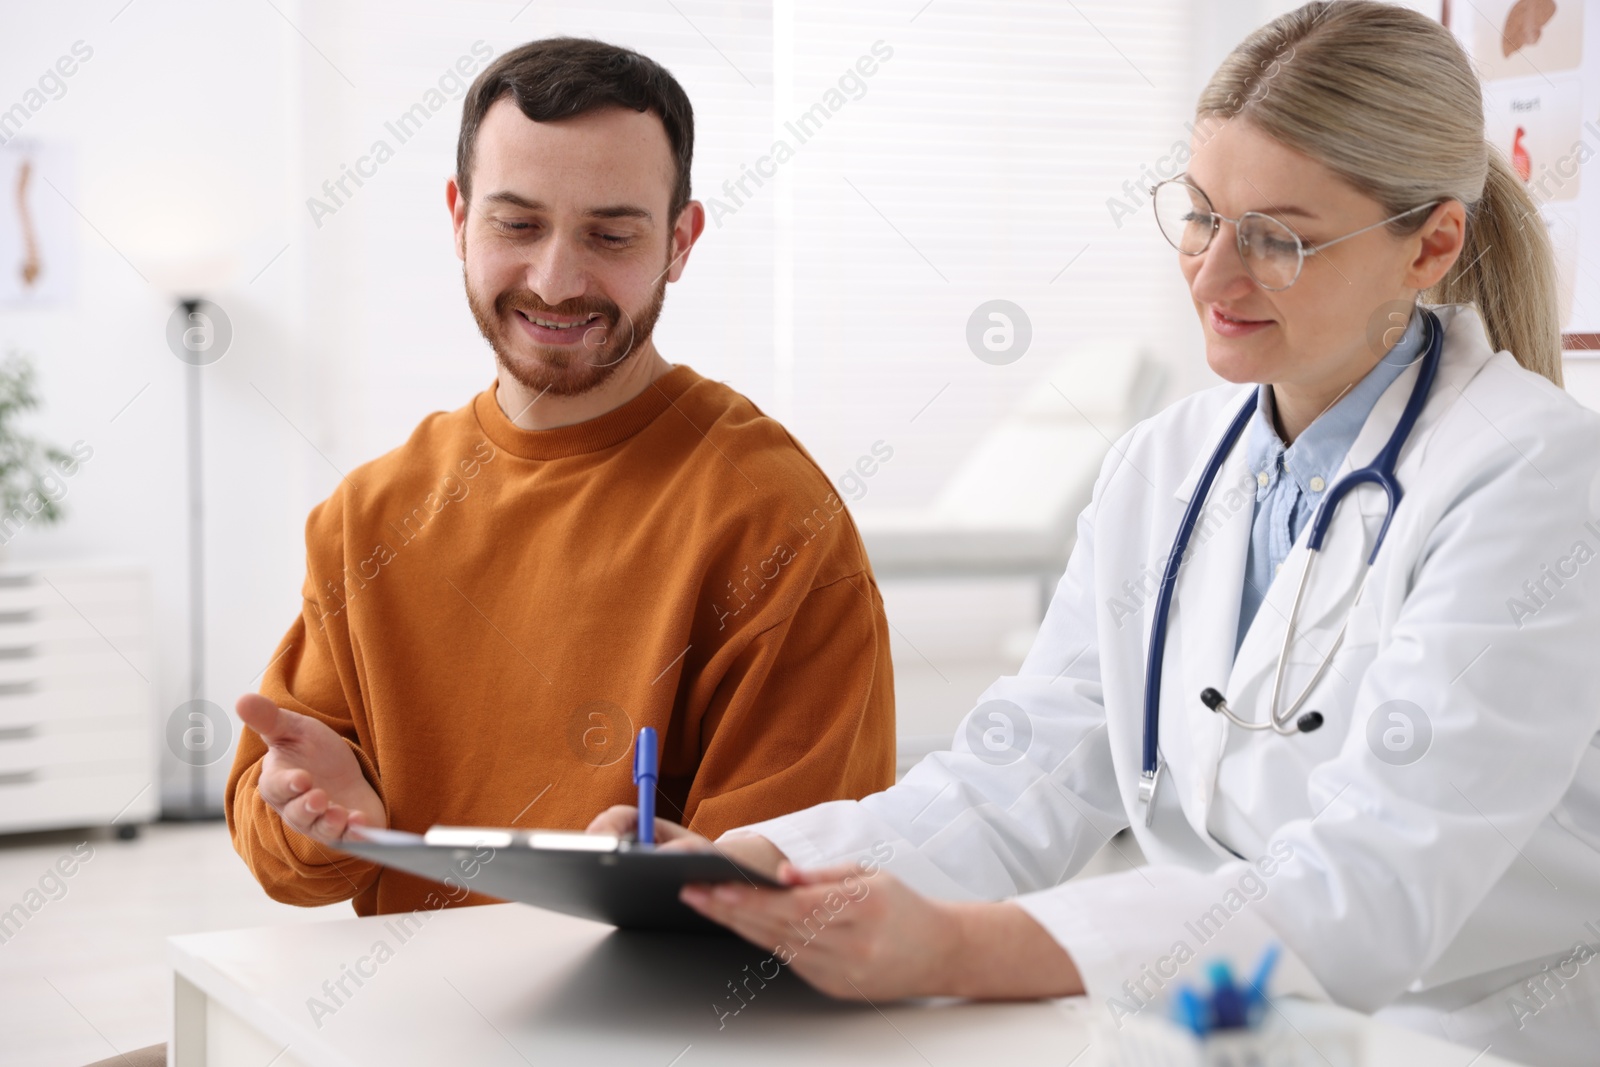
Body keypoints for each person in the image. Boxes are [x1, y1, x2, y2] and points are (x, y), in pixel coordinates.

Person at [588, 5, 1600, 1064]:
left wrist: (957, 950)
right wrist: (742, 869)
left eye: (1279, 239)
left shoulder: (1532, 477)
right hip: (1213, 1016)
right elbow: (1015, 774)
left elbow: (1374, 883)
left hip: (1464, 1033)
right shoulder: (1163, 463)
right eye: (1203, 215)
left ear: (1431, 244)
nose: (1211, 277)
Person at [226, 37, 896, 917]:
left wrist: (679, 882)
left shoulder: (775, 522)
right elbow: (282, 852)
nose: (555, 280)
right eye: (516, 224)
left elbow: (790, 903)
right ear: (459, 219)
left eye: (611, 234)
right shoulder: (370, 513)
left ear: (680, 242)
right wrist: (323, 818)